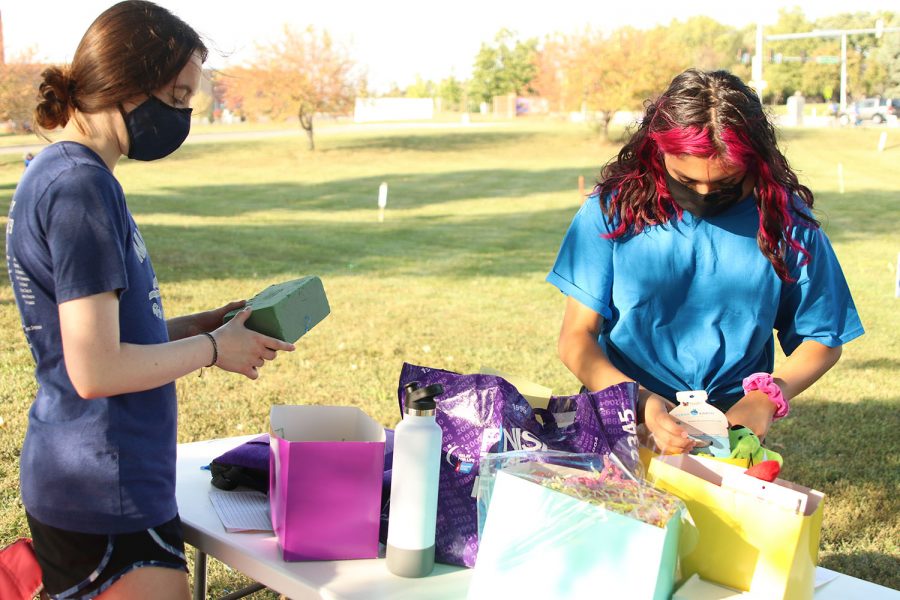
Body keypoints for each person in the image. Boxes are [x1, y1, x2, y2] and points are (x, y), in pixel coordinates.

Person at [5, 2, 295, 598]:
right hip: (102, 485)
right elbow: (96, 369)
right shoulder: (79, 186)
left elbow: (111, 337)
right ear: (128, 83)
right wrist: (215, 349)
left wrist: (202, 325)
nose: (185, 114)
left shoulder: (68, 175)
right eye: (179, 95)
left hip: (102, 476)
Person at [546, 69, 863, 455]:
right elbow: (576, 338)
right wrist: (640, 402)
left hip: (731, 429)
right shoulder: (612, 209)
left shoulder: (785, 221)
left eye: (726, 184)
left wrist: (767, 396)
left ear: (755, 162)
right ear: (657, 150)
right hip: (624, 412)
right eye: (685, 178)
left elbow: (822, 337)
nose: (703, 193)